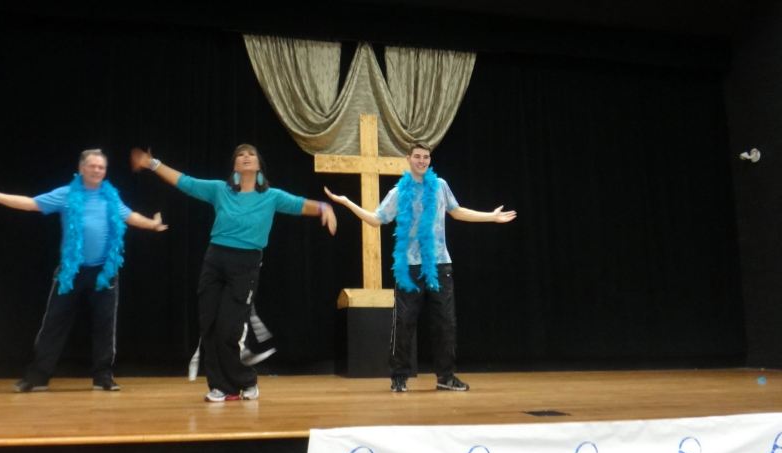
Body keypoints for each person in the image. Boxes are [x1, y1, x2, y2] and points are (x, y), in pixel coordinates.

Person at [130, 144, 336, 402]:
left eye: (251, 154)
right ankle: (220, 386)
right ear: (235, 165)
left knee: (228, 329)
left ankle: (246, 380)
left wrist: (325, 208)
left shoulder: (272, 196)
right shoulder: (220, 190)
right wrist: (152, 164)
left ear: (259, 165)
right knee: (209, 326)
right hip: (215, 260)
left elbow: (301, 205)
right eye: (240, 154)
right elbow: (186, 182)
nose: (246, 157)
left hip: (245, 264)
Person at [0, 149, 167, 392]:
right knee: (54, 323)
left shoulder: (111, 197)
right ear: (81, 168)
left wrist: (152, 224)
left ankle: (103, 377)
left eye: (101, 167)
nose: (97, 170)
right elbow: (30, 204)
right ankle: (38, 377)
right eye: (92, 166)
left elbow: (130, 216)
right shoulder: (66, 194)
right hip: (71, 271)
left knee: (105, 325)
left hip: (105, 272)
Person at [325, 142, 516, 393]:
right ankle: (399, 377)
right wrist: (348, 202)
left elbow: (457, 212)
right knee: (404, 322)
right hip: (409, 267)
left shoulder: (441, 186)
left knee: (446, 322)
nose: (422, 161)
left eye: (426, 157)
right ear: (408, 159)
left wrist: (491, 216)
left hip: (440, 264)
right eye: (417, 156)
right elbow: (375, 219)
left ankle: (446, 377)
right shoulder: (398, 192)